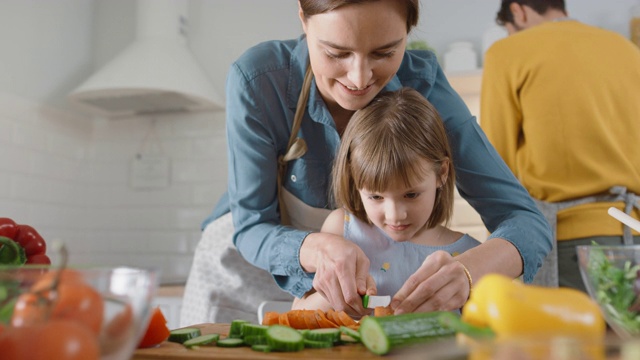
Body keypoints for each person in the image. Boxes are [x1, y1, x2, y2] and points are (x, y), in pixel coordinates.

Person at [181, 0, 552, 326]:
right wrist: (321, 248)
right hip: (243, 268)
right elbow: (252, 228)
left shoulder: (422, 84)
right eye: (336, 53)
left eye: (384, 52)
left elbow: (526, 222)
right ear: (303, 18)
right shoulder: (260, 79)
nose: (359, 79)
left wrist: (468, 272)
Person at [481, 0, 640, 291]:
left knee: (566, 338)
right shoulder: (628, 50)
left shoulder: (506, 53)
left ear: (518, 11)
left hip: (568, 245)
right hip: (635, 235)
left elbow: (494, 168)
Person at [293, 88, 481, 313]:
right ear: (354, 180)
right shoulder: (341, 231)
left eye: (411, 195)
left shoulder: (471, 256)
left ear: (441, 173)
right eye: (376, 196)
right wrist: (338, 297)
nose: (395, 215)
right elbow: (297, 313)